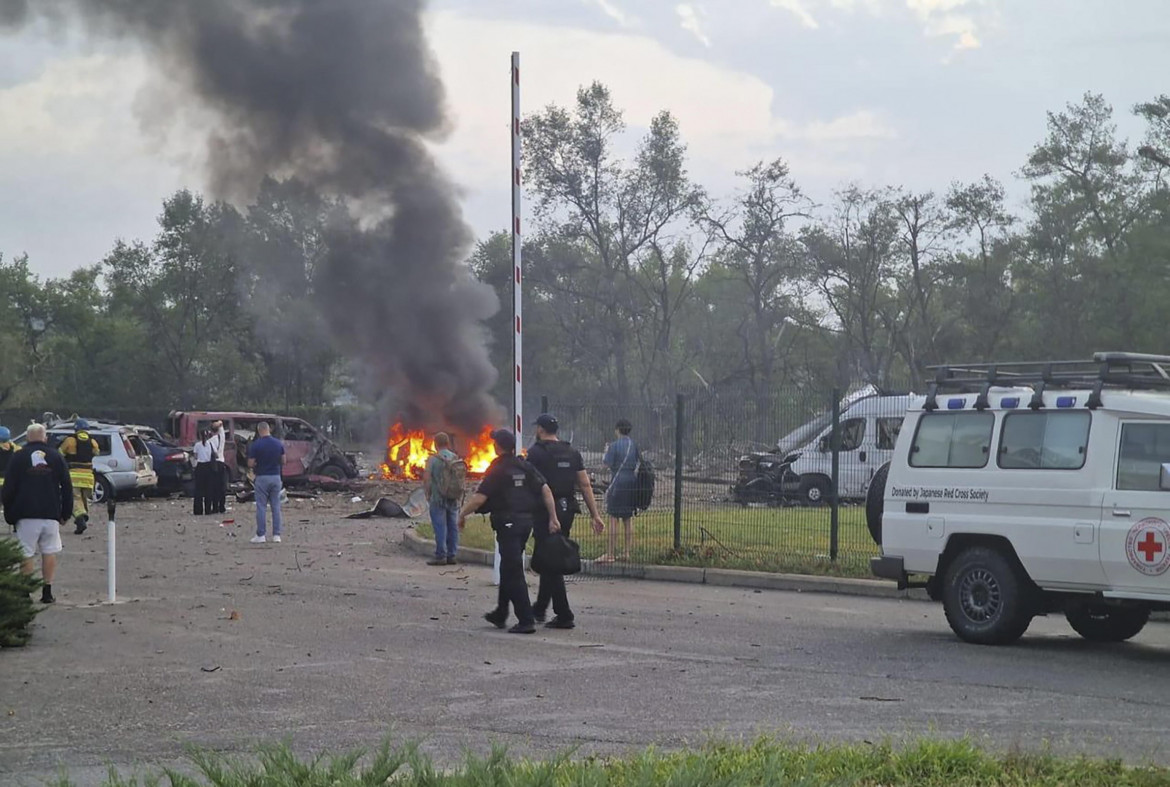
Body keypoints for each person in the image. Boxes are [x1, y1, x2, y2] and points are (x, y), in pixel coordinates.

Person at [457, 429, 560, 634]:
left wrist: (461, 514)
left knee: (512, 571)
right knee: (507, 567)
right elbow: (546, 490)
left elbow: (480, 499)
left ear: (497, 446)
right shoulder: (525, 465)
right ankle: (501, 612)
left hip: (508, 524)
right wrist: (553, 517)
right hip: (525, 523)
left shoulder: (498, 469)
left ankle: (525, 620)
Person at [526, 413, 605, 629]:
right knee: (551, 557)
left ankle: (564, 613)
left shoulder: (535, 453)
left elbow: (529, 482)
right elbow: (585, 485)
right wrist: (595, 514)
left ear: (541, 429)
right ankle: (540, 608)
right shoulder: (572, 452)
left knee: (550, 561)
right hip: (567, 509)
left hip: (546, 512)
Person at [3, 424, 72, 604]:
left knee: (26, 553)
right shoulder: (56, 457)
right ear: (45, 438)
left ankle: (25, 594)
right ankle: (47, 591)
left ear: (27, 438)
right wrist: (66, 513)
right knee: (49, 551)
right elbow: (67, 487)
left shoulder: (18, 457)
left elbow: (9, 488)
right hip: (50, 514)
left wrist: (9, 514)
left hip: (25, 514)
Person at [600, 418, 640, 563]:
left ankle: (610, 553)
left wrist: (605, 453)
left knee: (613, 518)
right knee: (628, 519)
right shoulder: (634, 445)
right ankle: (627, 552)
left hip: (617, 483)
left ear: (617, 429)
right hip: (631, 483)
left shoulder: (614, 446)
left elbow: (606, 465)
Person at [422, 432, 464, 566]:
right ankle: (452, 555)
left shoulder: (433, 459)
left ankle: (441, 555)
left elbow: (427, 478)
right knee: (453, 526)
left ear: (435, 444)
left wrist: (427, 493)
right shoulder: (455, 458)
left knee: (440, 526)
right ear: (448, 443)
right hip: (453, 497)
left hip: (438, 498)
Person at [58, 419, 100, 535]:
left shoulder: (70, 440)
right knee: (84, 499)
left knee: (75, 499)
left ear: (76, 429)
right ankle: (83, 515)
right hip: (88, 477)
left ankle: (80, 518)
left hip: (74, 476)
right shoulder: (93, 442)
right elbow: (97, 453)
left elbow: (60, 454)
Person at [247, 421, 285, 544]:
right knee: (276, 506)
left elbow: (250, 463)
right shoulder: (278, 444)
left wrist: (257, 463)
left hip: (262, 477)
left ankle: (261, 535)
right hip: (275, 477)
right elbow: (284, 461)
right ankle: (276, 535)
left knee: (261, 506)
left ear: (259, 430)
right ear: (269, 429)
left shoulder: (256, 445)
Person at [192, 428, 217, 516]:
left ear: (199, 436)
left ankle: (198, 510)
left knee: (198, 490)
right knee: (209, 489)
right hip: (209, 467)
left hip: (200, 467)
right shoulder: (211, 444)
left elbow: (195, 456)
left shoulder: (197, 445)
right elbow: (215, 454)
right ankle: (207, 510)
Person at [207, 420, 228, 515]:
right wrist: (219, 423)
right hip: (221, 463)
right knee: (222, 487)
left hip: (213, 464)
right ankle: (222, 507)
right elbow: (221, 425)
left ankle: (215, 507)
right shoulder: (221, 437)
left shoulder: (210, 441)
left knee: (214, 487)